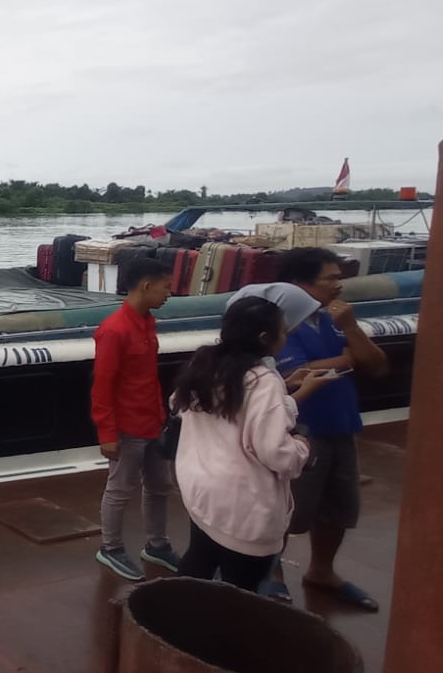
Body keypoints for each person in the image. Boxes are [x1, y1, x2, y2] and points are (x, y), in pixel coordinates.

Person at [170, 297, 338, 591]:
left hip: (201, 489)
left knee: (198, 561)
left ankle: (174, 623)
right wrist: (302, 446)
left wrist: (284, 387)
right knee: (241, 588)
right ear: (264, 338)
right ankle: (225, 634)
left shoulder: (205, 363)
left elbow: (198, 407)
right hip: (242, 502)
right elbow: (275, 452)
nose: (286, 336)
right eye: (283, 331)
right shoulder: (262, 381)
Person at [261, 247, 390, 610]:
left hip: (342, 424)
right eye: (330, 278)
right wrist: (350, 358)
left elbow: (377, 366)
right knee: (286, 510)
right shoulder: (283, 322)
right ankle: (271, 575)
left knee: (339, 507)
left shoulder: (338, 318)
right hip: (301, 429)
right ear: (301, 285)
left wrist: (350, 330)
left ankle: (322, 571)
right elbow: (293, 375)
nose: (340, 284)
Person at [92, 256, 178, 581]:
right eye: (166, 286)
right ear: (146, 285)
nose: (170, 293)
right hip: (128, 427)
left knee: (160, 485)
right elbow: (103, 385)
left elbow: (146, 377)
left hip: (153, 420)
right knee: (119, 488)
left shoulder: (147, 323)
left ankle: (157, 544)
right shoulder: (114, 330)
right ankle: (110, 547)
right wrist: (107, 432)